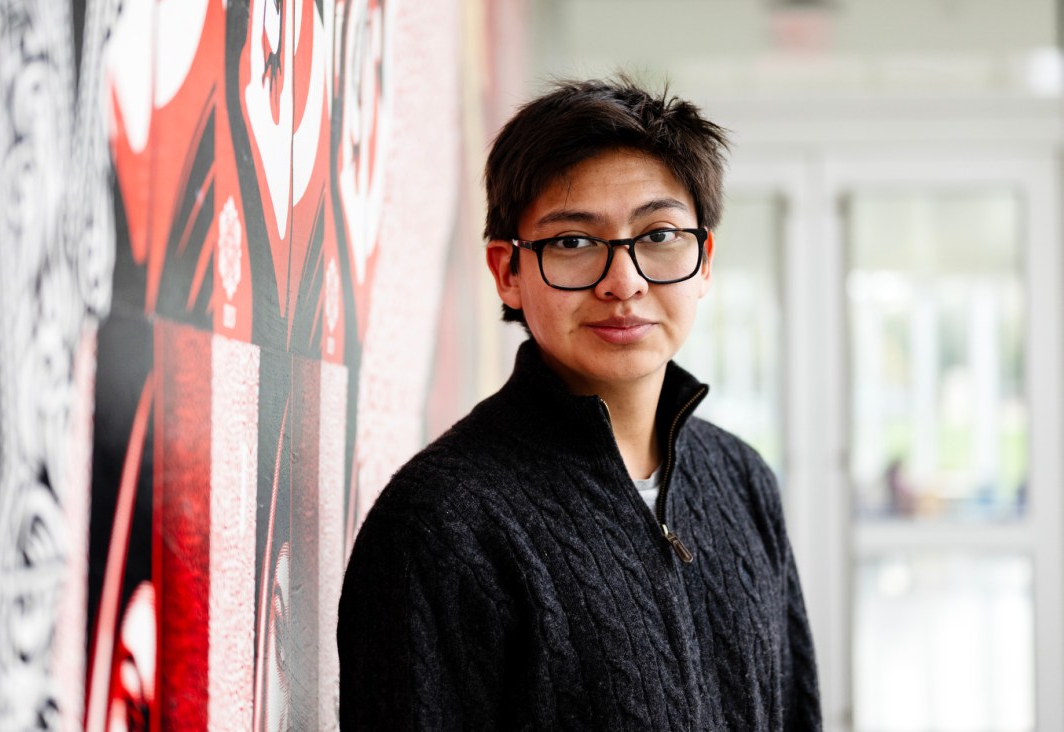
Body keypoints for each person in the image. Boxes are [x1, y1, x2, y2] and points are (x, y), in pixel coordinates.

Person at [337, 76, 822, 731]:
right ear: (508, 271)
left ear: (704, 259)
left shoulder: (740, 478)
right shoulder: (442, 523)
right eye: (572, 242)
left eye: (659, 236)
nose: (624, 282)